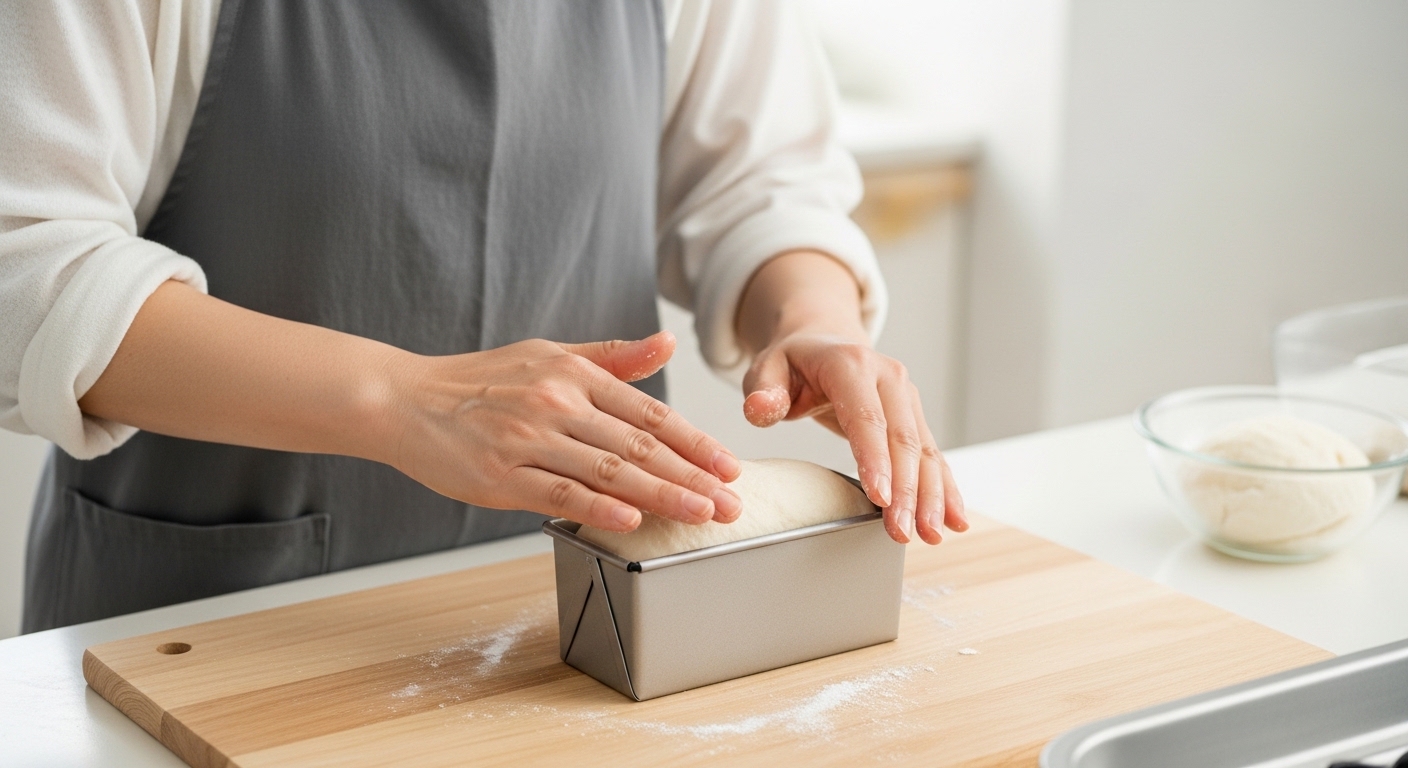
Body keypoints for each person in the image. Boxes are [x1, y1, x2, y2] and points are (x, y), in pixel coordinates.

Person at [0, 0, 967, 634]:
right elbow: (25, 254)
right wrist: (400, 399)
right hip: (200, 636)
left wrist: (809, 313)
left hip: (581, 641)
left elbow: (761, 182)